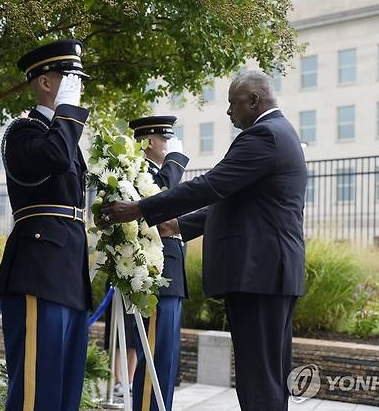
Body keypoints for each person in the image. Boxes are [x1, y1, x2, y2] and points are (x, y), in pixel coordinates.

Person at [99, 70, 307, 411]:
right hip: (270, 272)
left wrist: (138, 208)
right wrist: (178, 226)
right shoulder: (278, 134)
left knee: (260, 379)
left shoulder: (264, 136)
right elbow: (235, 204)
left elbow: (211, 186)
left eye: (233, 103)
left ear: (253, 101)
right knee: (266, 375)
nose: (228, 112)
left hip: (260, 274)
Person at [0, 39, 92, 411]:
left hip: (68, 270)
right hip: (39, 268)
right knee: (36, 387)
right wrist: (67, 109)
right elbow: (53, 157)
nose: (77, 88)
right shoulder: (23, 131)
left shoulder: (64, 134)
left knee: (66, 385)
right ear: (46, 83)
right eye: (69, 78)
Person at [127, 116, 189, 411]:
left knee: (166, 359)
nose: (171, 144)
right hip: (155, 276)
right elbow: (160, 199)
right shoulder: (140, 173)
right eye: (166, 140)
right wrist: (175, 161)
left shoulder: (161, 174)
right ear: (149, 142)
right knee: (154, 355)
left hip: (172, 273)